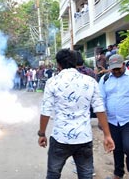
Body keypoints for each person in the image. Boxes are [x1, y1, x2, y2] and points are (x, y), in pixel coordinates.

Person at [38, 49, 115, 179]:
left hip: (60, 137)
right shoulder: (90, 82)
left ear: (58, 64)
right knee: (86, 175)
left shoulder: (52, 82)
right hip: (83, 137)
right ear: (76, 63)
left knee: (53, 174)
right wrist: (107, 135)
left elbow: (46, 111)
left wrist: (42, 134)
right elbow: (99, 109)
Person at [99, 54, 129, 179]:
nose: (116, 71)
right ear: (109, 67)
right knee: (116, 148)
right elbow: (101, 101)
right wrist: (101, 120)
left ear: (124, 65)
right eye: (113, 69)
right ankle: (118, 173)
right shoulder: (104, 80)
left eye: (118, 68)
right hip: (112, 121)